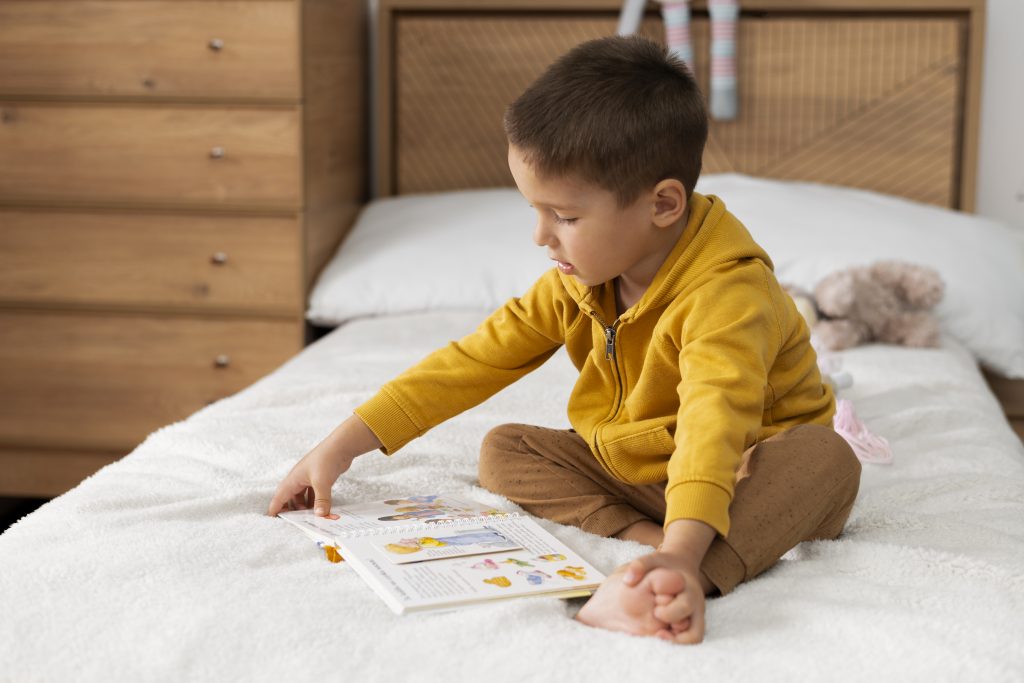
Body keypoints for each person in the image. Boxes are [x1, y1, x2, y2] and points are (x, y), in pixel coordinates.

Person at [267, 34, 861, 644]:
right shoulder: (578, 281)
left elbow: (715, 422)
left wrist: (685, 555)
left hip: (743, 472)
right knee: (505, 448)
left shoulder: (728, 295)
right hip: (640, 469)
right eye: (536, 211)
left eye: (566, 217)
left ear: (662, 204)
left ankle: (684, 572)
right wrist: (342, 445)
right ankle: (649, 544)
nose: (541, 237)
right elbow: (473, 360)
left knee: (829, 458)